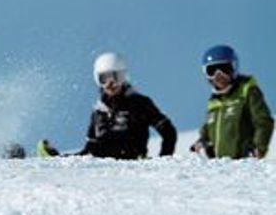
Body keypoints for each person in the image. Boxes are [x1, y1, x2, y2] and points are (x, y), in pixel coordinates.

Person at [38, 52, 176, 159]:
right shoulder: (98, 111)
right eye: (104, 78)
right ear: (97, 80)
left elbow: (168, 132)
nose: (111, 84)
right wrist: (62, 159)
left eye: (116, 77)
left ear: (124, 77)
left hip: (131, 165)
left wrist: (163, 161)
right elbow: (89, 151)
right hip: (103, 171)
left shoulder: (139, 103)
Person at [190, 45, 272, 159]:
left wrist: (259, 148)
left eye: (224, 69)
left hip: (243, 162)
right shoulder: (214, 101)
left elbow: (263, 120)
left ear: (234, 68)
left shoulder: (246, 90)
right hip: (220, 167)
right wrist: (202, 141)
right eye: (212, 71)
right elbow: (209, 127)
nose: (218, 75)